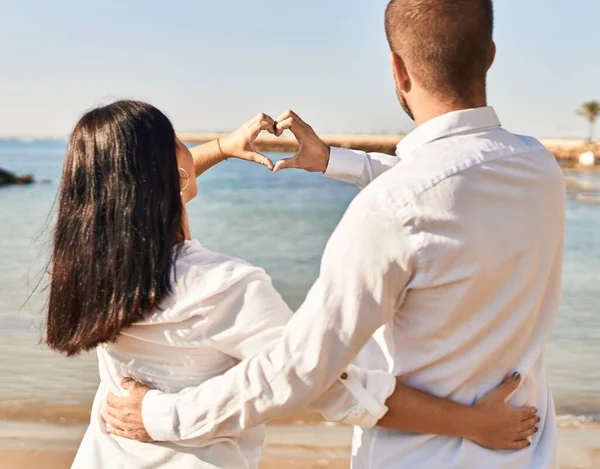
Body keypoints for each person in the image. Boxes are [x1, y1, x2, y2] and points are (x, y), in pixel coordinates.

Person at [105, 0, 566, 468]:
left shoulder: (389, 210)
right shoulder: (536, 167)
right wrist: (333, 161)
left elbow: (304, 370)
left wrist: (161, 417)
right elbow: (452, 184)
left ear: (397, 68)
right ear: (489, 55)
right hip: (522, 450)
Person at [46, 100, 536, 469]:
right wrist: (474, 423)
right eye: (178, 141)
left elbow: (132, 188)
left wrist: (219, 148)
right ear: (170, 173)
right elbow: (325, 386)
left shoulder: (93, 270)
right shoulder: (221, 287)